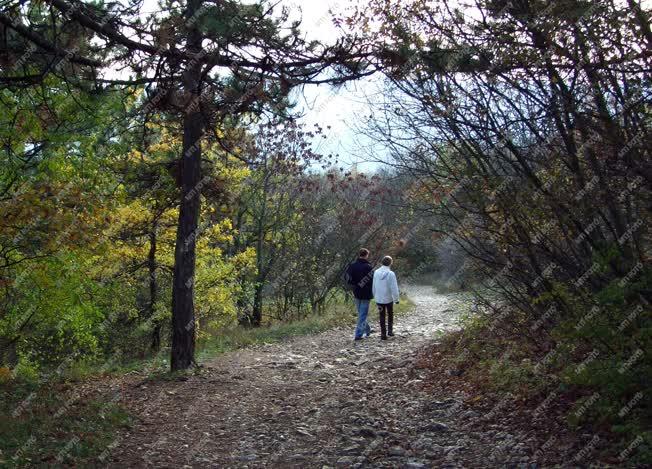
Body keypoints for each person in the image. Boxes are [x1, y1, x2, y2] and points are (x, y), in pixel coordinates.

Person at [345, 248, 375, 341]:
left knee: (361, 313)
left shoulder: (352, 266)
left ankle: (366, 330)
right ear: (366, 255)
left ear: (359, 254)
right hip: (366, 293)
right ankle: (358, 335)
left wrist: (353, 283)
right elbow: (373, 280)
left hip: (356, 291)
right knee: (362, 314)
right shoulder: (368, 267)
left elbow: (347, 277)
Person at [372, 256, 400, 340]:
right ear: (390, 263)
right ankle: (390, 331)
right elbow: (394, 287)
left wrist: (374, 295)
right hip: (388, 298)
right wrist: (396, 299)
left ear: (382, 262)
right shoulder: (391, 274)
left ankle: (383, 334)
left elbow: (374, 285)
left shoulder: (376, 272)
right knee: (390, 313)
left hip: (379, 298)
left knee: (382, 315)